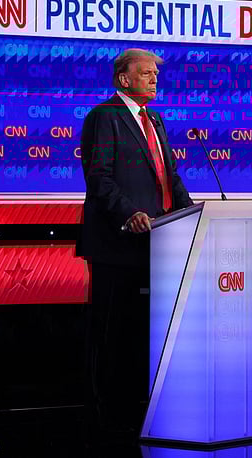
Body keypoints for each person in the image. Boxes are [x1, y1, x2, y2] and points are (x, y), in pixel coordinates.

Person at [76, 48, 193, 438]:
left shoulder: (154, 119)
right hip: (117, 243)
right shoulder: (104, 116)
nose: (154, 79)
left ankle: (139, 410)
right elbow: (99, 177)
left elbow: (169, 177)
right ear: (124, 79)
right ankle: (104, 416)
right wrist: (129, 214)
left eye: (155, 74)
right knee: (112, 332)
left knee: (142, 333)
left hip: (157, 242)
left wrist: (190, 212)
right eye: (146, 73)